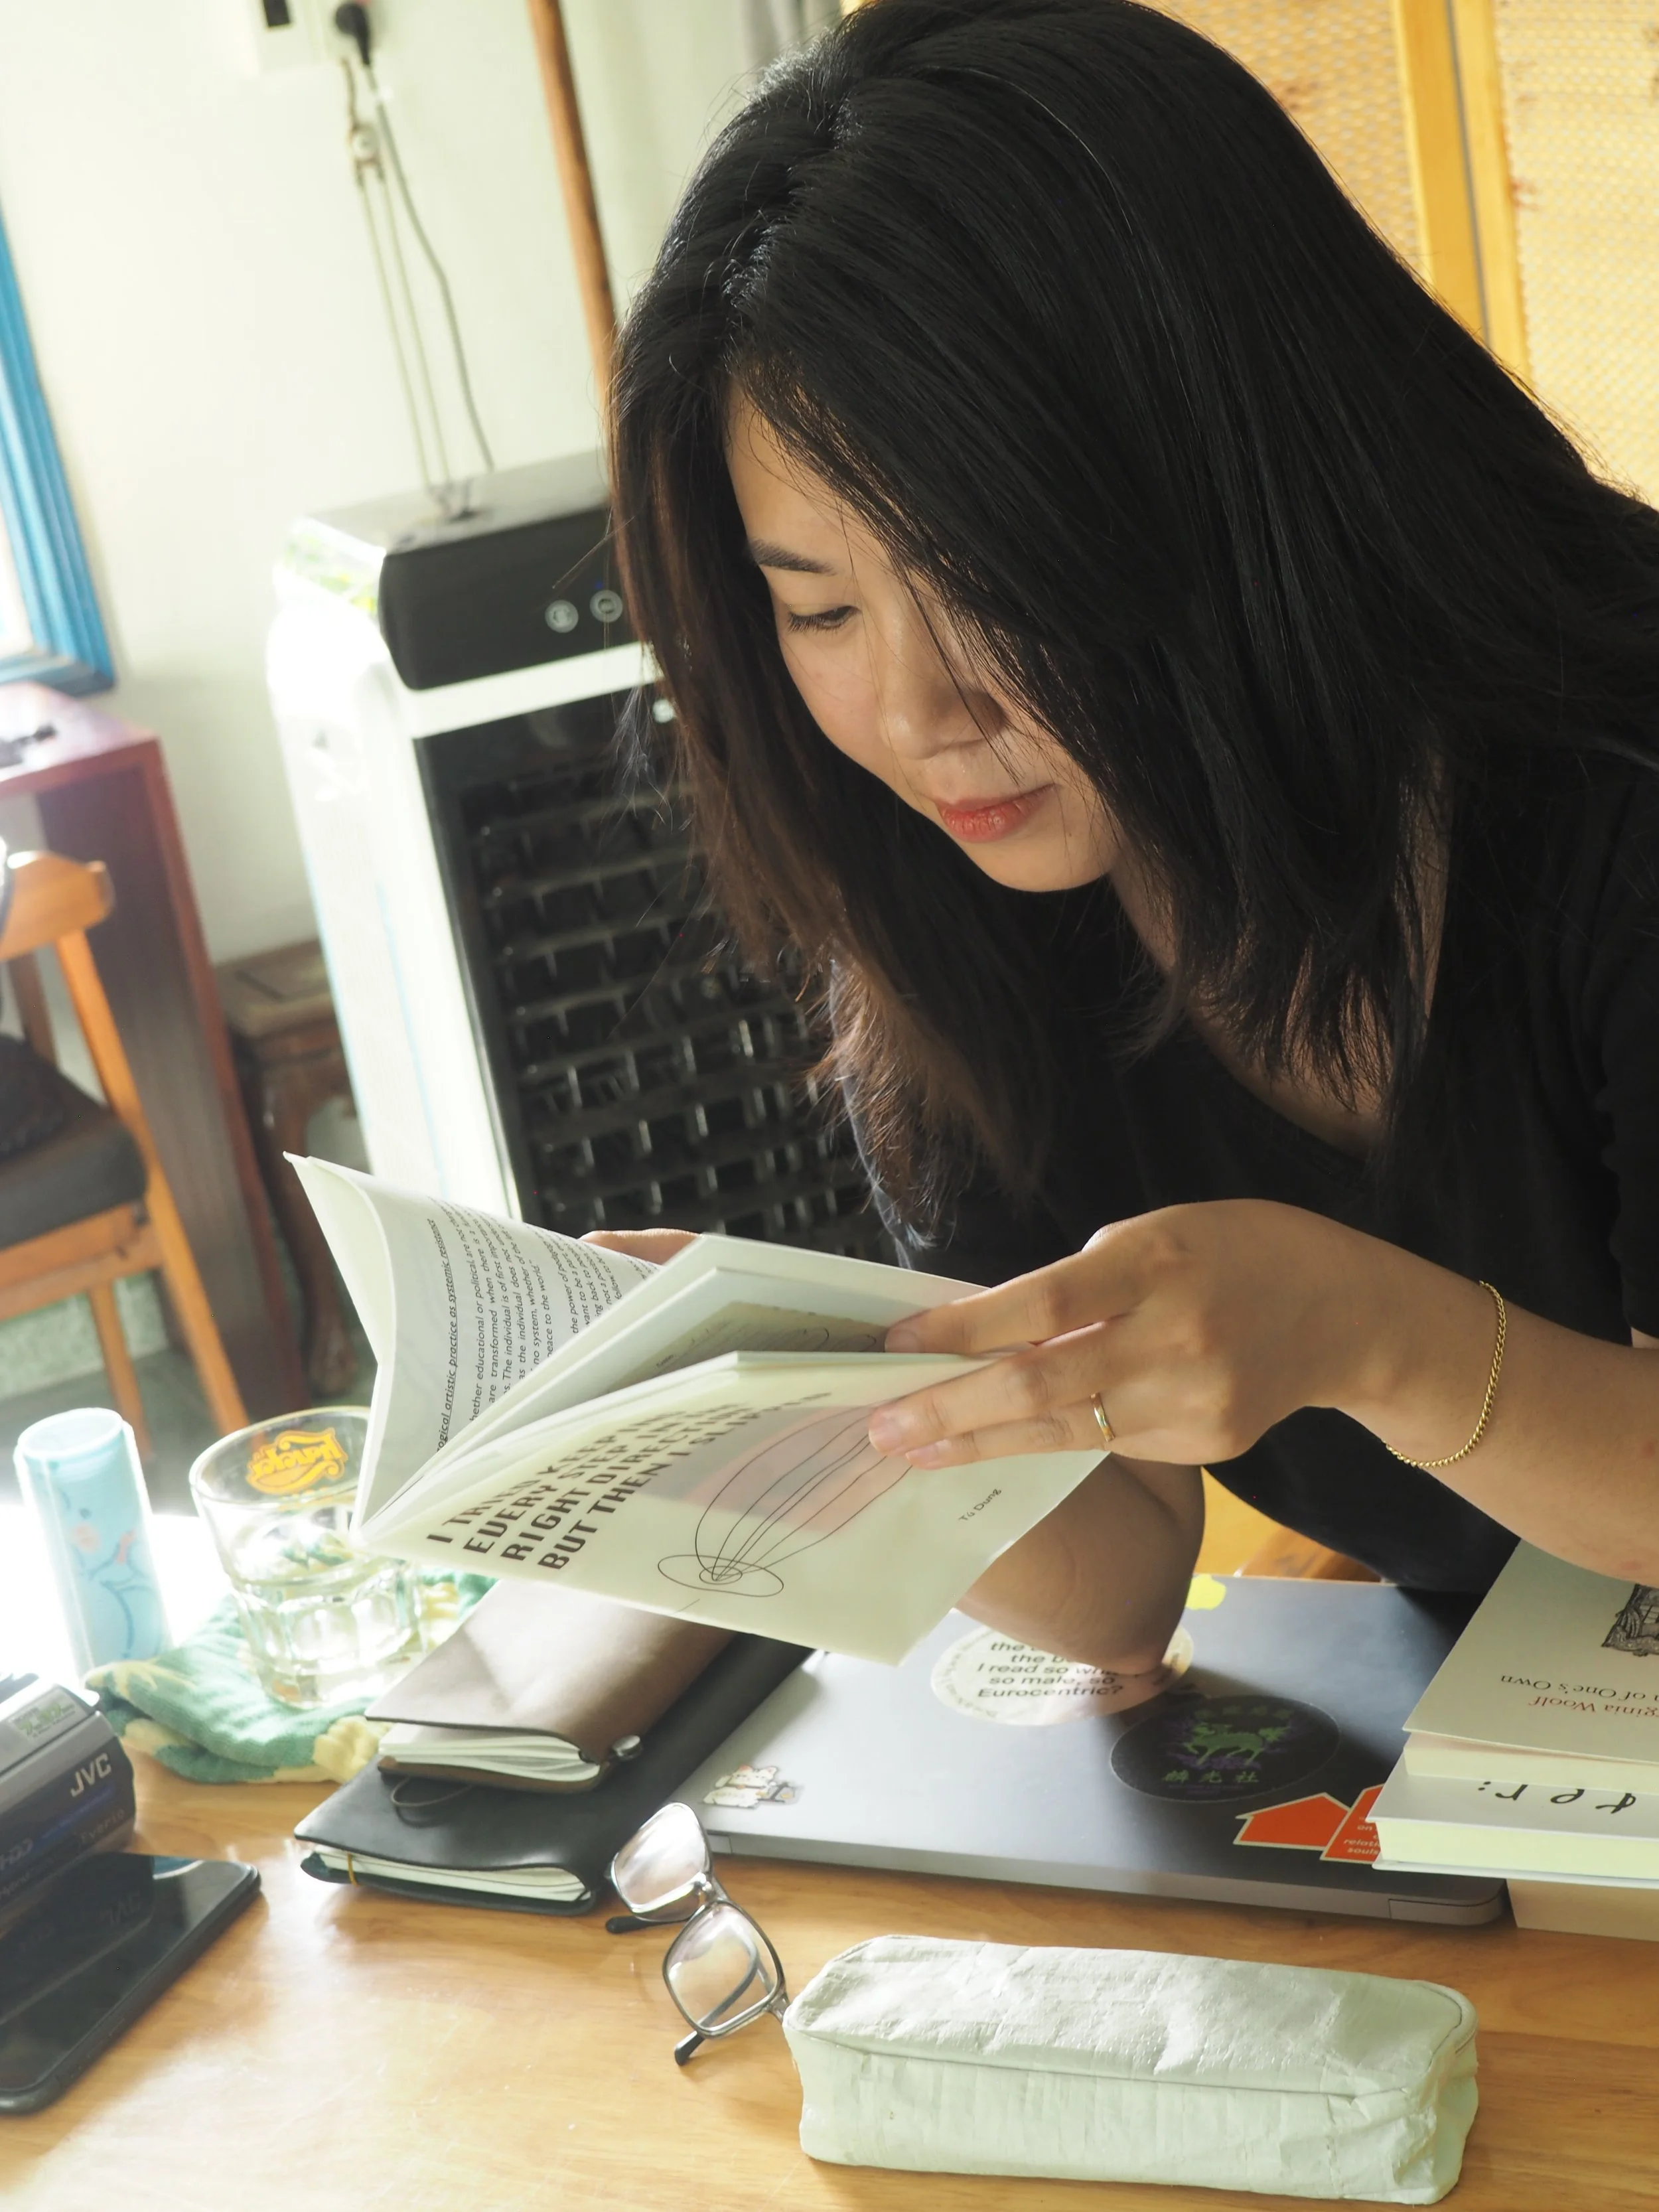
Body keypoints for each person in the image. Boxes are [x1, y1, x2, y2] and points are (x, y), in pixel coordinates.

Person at [588, 0, 1659, 1673]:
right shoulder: (977, 919)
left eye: (984, 580)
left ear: (1234, 484)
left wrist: (1365, 1332)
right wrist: (795, 1405)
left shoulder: (1619, 791)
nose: (919, 710)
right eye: (819, 610)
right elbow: (1117, 1581)